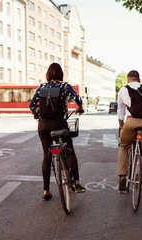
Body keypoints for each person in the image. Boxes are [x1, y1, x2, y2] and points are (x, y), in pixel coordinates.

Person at [30, 63, 85, 201]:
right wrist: (80, 107)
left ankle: (46, 191)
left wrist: (36, 113)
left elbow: (31, 105)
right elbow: (78, 99)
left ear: (48, 74)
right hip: (59, 123)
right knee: (70, 150)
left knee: (46, 155)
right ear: (61, 74)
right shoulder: (65, 86)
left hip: (43, 125)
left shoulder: (42, 87)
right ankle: (77, 183)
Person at [117, 70, 142, 207]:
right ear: (139, 79)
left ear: (128, 80)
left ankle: (123, 176)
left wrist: (120, 127)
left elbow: (120, 111)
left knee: (124, 147)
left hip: (130, 123)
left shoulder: (123, 90)